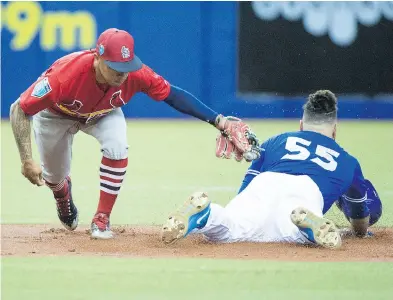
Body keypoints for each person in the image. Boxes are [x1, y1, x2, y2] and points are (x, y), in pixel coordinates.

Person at [10, 28, 259, 240]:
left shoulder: (135, 75)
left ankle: (102, 219)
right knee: (54, 176)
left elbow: (173, 95)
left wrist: (220, 121)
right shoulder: (65, 75)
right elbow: (19, 108)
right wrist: (26, 159)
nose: (122, 74)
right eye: (116, 67)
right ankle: (62, 192)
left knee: (117, 145)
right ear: (98, 58)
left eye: (126, 67)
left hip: (102, 113)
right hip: (56, 115)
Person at [161, 90, 382, 249]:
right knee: (290, 233)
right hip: (305, 194)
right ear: (334, 131)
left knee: (231, 226)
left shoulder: (276, 141)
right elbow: (359, 217)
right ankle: (307, 229)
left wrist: (244, 210)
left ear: (301, 125)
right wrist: (359, 232)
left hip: (265, 183)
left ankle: (206, 215)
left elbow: (246, 188)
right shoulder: (349, 162)